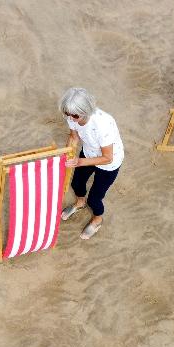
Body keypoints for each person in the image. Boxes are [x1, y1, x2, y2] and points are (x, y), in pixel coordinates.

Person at [58, 87, 125, 239]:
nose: (71, 118)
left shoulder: (103, 124)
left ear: (86, 110)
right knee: (76, 183)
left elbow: (108, 157)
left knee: (95, 198)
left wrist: (80, 161)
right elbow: (74, 137)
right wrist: (68, 153)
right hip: (89, 152)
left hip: (109, 163)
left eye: (75, 115)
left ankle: (97, 219)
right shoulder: (72, 115)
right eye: (67, 114)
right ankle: (80, 203)